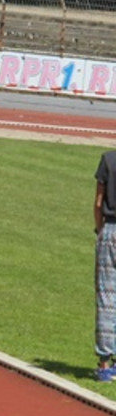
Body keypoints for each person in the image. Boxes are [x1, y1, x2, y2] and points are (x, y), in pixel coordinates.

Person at [93, 149, 116, 382]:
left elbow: (98, 202)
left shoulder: (108, 160)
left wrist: (100, 230)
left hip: (110, 230)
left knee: (106, 297)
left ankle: (104, 364)